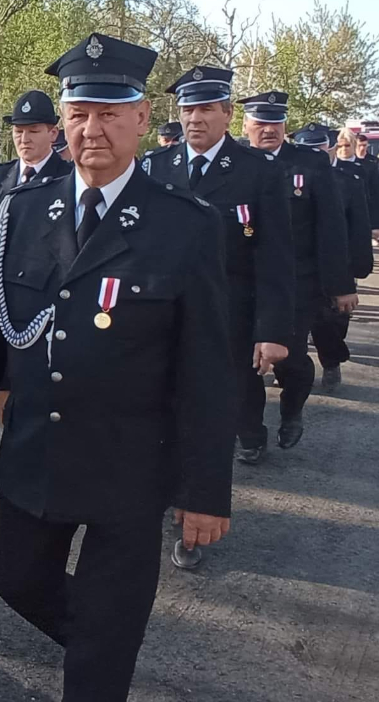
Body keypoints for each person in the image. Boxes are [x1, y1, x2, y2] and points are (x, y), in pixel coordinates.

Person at [0, 33, 235, 702]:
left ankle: (102, 663)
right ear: (62, 120)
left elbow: (207, 369)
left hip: (131, 467)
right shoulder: (19, 212)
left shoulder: (185, 226)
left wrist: (205, 488)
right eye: (79, 112)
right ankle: (104, 648)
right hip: (37, 455)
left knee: (103, 648)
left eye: (110, 113)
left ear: (140, 118)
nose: (92, 128)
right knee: (15, 579)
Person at [145, 66, 292, 473]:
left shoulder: (259, 170)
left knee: (218, 408)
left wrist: (272, 330)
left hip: (230, 314)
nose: (195, 118)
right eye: (188, 109)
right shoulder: (155, 167)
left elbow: (275, 255)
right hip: (164, 315)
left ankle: (199, 501)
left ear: (228, 113)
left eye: (206, 108)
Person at [239, 92, 356, 448]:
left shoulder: (310, 164)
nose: (268, 129)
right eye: (260, 122)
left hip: (297, 282)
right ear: (245, 125)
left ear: (285, 125)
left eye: (275, 122)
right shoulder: (236, 163)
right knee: (243, 363)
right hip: (243, 280)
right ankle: (251, 436)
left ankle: (291, 411)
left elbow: (331, 227)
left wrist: (341, 284)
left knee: (290, 358)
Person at [0, 89, 73, 423]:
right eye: (18, 131)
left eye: (33, 131)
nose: (24, 139)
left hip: (38, 302)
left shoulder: (67, 178)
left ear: (53, 133)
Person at [297, 125, 373, 393]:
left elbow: (358, 229)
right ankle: (292, 370)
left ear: (329, 150)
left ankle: (331, 362)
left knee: (331, 323)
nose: (314, 155)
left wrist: (355, 272)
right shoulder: (285, 178)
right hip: (298, 264)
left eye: (319, 149)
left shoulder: (347, 181)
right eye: (307, 150)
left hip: (337, 264)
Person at [354, 133, 379, 243]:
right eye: (360, 145)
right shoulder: (350, 161)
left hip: (369, 200)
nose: (362, 148)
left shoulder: (374, 162)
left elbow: (377, 188)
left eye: (365, 145)